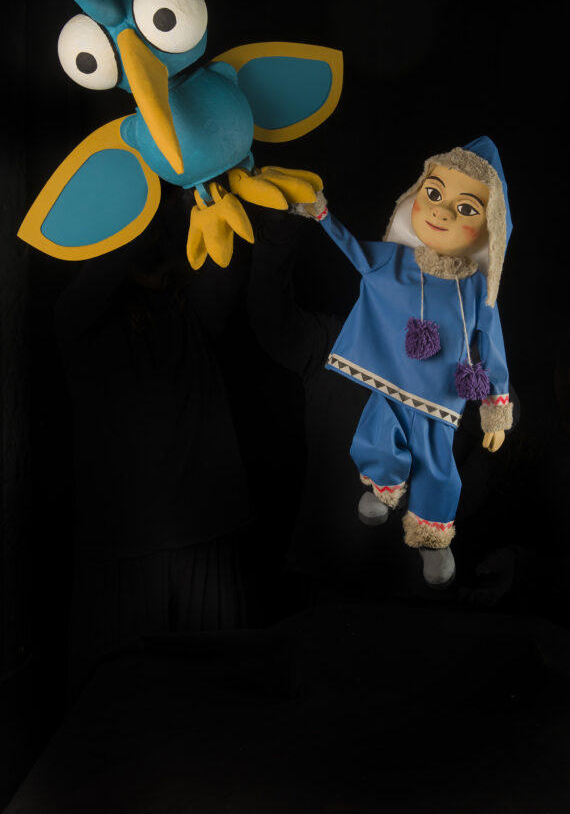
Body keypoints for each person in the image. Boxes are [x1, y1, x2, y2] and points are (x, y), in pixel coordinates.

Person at [55, 188, 252, 694]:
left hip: (205, 536)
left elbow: (223, 265)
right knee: (114, 711)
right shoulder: (81, 322)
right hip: (121, 549)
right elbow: (99, 276)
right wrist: (136, 205)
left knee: (217, 705)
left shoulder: (193, 312)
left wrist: (200, 193)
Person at [294, 136, 513, 587]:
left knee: (437, 464)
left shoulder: (476, 288)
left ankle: (434, 539)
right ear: (415, 194)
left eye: (465, 208)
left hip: (441, 395)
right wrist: (322, 215)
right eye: (434, 193)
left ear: (490, 226)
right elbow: (354, 250)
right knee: (379, 429)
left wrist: (496, 407)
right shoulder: (395, 261)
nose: (442, 212)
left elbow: (492, 343)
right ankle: (383, 486)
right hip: (392, 380)